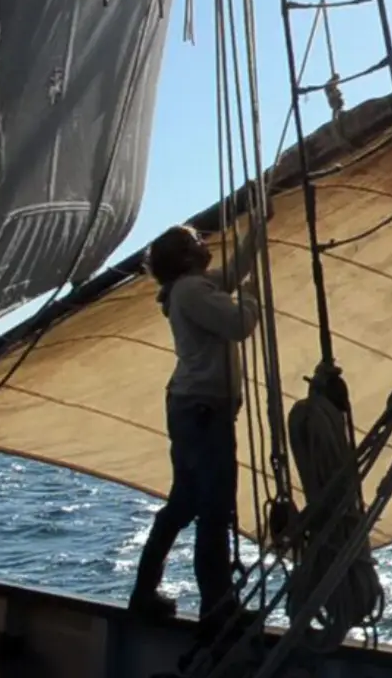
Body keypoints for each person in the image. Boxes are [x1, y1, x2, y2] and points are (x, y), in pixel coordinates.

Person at [129, 214, 265, 634]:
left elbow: (229, 274)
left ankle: (145, 593)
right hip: (205, 412)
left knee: (186, 503)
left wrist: (258, 227)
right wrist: (253, 296)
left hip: (193, 409)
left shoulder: (188, 289)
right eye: (198, 242)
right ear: (186, 258)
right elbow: (239, 324)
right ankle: (217, 608)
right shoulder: (191, 291)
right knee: (214, 510)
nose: (208, 244)